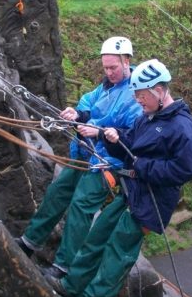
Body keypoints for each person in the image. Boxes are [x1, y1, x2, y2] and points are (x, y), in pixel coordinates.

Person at [47, 59, 192, 297]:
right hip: (131, 191)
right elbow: (132, 145)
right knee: (97, 237)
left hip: (152, 201)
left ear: (159, 91)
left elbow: (186, 170)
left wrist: (145, 167)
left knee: (118, 252)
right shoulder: (148, 118)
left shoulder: (181, 127)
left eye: (142, 96)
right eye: (136, 97)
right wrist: (114, 137)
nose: (139, 102)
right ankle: (70, 286)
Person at [15, 37, 142, 279]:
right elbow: (89, 103)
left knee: (81, 206)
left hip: (110, 162)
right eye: (105, 67)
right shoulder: (107, 86)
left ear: (127, 61)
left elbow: (132, 134)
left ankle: (62, 267)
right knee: (58, 191)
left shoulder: (135, 94)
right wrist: (78, 113)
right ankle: (30, 242)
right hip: (87, 153)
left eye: (113, 67)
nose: (108, 72)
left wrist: (99, 131)